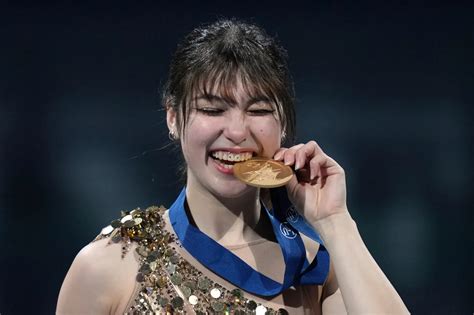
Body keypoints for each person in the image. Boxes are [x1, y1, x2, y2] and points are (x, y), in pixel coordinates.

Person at [57, 19, 409, 314]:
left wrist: (336, 223)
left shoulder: (313, 270)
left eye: (258, 111)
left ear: (284, 122)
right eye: (212, 110)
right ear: (172, 118)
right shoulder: (110, 267)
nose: (238, 132)